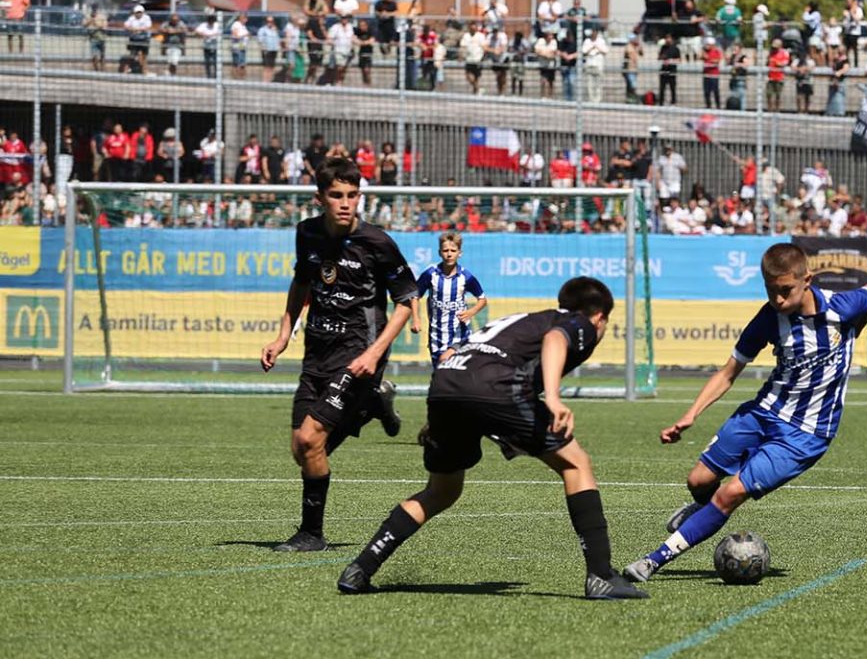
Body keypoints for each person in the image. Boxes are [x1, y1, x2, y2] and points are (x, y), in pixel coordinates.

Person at [337, 277, 646, 600]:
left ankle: (360, 568)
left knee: (441, 491)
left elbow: (455, 360)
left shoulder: (520, 321)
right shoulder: (578, 321)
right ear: (600, 316)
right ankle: (601, 575)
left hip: (446, 386)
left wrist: (441, 418)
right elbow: (556, 340)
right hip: (496, 386)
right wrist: (553, 398)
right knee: (576, 464)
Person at [621, 244, 867, 587]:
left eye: (785, 290)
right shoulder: (768, 318)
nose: (777, 298)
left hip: (805, 434)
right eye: (770, 290)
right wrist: (690, 415)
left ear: (808, 280)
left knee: (730, 494)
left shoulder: (842, 308)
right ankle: (701, 511)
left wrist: (858, 325)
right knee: (698, 481)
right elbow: (729, 372)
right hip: (763, 412)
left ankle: (653, 560)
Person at [259, 157, 416, 552]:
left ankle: (311, 534)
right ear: (320, 198)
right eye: (337, 196)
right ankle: (373, 405)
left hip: (358, 354)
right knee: (302, 448)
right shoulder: (307, 234)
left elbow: (406, 302)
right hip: (316, 352)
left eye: (352, 195)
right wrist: (282, 336)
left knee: (312, 441)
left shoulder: (377, 243)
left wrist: (375, 353)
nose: (346, 203)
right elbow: (301, 283)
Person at [412, 232, 487, 368]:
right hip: (436, 334)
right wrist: (416, 319)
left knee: (448, 362)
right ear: (440, 252)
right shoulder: (430, 274)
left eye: (453, 250)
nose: (449, 254)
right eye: (445, 250)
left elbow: (482, 299)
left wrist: (471, 312)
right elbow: (415, 296)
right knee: (440, 373)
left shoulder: (466, 277)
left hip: (459, 333)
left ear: (460, 253)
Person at [657, 33, 681, 105]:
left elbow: (679, 60)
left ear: (672, 39)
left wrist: (671, 61)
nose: (667, 40)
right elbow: (659, 57)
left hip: (672, 71)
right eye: (666, 38)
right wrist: (662, 58)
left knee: (672, 88)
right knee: (662, 88)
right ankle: (661, 103)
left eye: (669, 38)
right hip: (664, 71)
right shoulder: (663, 47)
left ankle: (673, 102)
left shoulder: (675, 48)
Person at [701, 36, 723, 109]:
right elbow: (700, 57)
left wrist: (708, 58)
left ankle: (718, 106)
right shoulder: (705, 51)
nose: (706, 46)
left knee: (715, 91)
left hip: (714, 75)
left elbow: (717, 60)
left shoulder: (716, 51)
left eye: (708, 44)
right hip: (706, 74)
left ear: (712, 45)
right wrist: (703, 54)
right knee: (706, 92)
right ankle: (708, 106)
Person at [85, 5, 109, 72]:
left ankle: (102, 70)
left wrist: (96, 24)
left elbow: (105, 26)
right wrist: (90, 20)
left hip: (102, 38)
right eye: (93, 8)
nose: (94, 10)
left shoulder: (102, 16)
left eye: (95, 8)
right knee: (94, 56)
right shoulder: (88, 16)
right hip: (93, 39)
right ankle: (96, 70)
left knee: (102, 56)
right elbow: (84, 24)